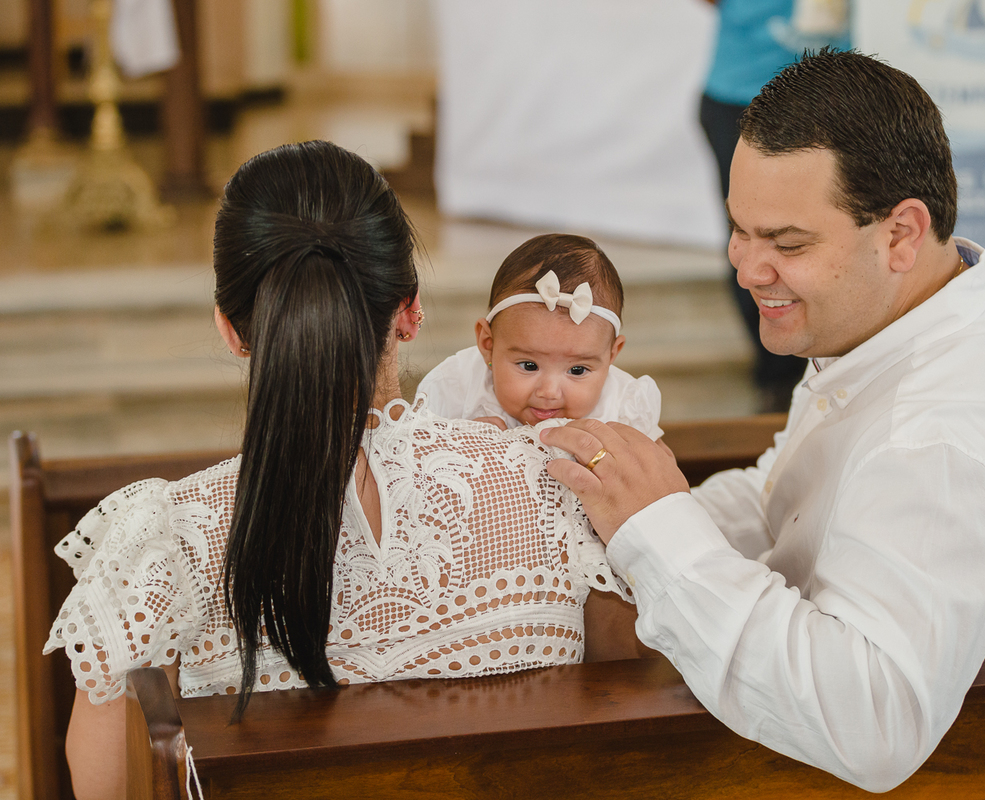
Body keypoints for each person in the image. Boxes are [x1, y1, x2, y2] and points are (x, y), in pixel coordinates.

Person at [542, 49, 985, 792]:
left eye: (787, 244)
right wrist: (626, 514)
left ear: (902, 234)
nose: (747, 269)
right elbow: (798, 502)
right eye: (739, 230)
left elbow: (873, 721)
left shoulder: (945, 432)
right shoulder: (911, 311)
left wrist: (660, 532)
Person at [43, 141, 638, 800]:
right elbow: (634, 740)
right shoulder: (568, 489)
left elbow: (109, 790)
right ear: (410, 313)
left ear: (233, 330)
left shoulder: (157, 547)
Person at [699, 0, 852, 411]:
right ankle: (778, 377)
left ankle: (829, 365)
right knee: (757, 240)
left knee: (836, 235)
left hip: (836, 91)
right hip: (741, 91)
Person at [418, 233, 663, 439]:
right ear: (488, 345)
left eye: (577, 370)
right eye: (529, 365)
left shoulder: (624, 408)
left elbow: (664, 480)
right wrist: (456, 446)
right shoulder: (455, 389)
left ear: (611, 354)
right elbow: (411, 468)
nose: (549, 392)